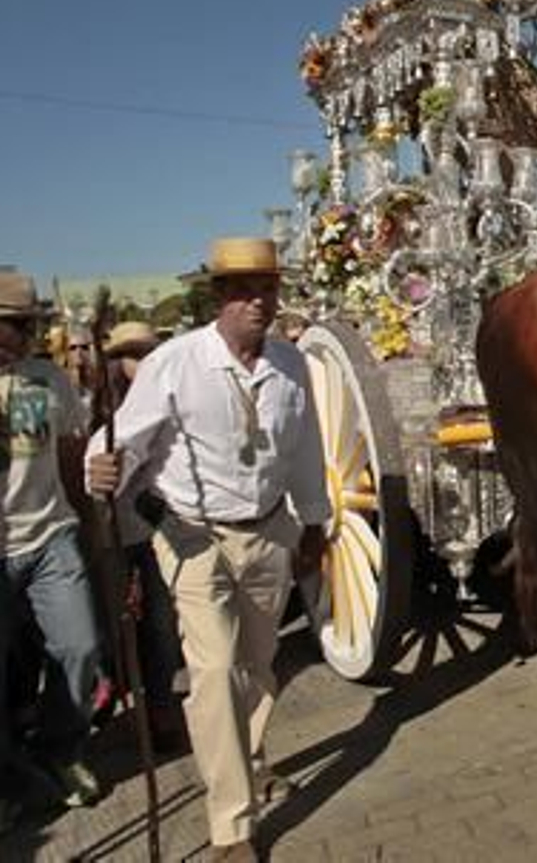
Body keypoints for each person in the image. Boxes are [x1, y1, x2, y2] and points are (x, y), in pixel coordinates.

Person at [87, 239, 330, 862]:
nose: (258, 300)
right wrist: (102, 468)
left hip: (270, 531)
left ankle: (249, 760)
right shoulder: (175, 362)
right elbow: (122, 442)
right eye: (243, 290)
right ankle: (233, 827)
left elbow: (305, 448)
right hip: (193, 536)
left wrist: (315, 522)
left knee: (257, 662)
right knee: (216, 670)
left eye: (268, 288)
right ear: (216, 298)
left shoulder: (291, 364)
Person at [0, 271, 105, 822]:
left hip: (48, 536)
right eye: (8, 325)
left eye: (23, 326)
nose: (15, 336)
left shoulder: (46, 380)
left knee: (80, 646)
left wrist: (89, 527)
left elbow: (69, 454)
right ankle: (9, 780)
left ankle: (60, 751)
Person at [101, 320, 188, 753]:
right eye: (132, 355)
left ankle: (160, 707)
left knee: (161, 626)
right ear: (116, 363)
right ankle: (118, 695)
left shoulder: (168, 398)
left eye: (148, 353)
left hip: (155, 529)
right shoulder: (99, 406)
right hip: (109, 532)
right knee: (116, 626)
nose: (142, 363)